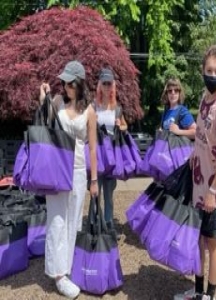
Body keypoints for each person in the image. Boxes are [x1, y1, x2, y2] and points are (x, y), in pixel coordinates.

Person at [174, 45, 216, 300]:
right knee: (197, 239)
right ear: (202, 70)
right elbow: (201, 134)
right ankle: (197, 290)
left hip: (212, 190)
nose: (212, 74)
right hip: (197, 183)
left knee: (212, 243)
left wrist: (211, 191)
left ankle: (209, 296)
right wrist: (193, 156)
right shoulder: (203, 99)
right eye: (209, 69)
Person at [39, 60, 99, 299]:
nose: (65, 86)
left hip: (78, 171)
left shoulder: (90, 110)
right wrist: (43, 97)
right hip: (56, 168)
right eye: (64, 82)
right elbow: (45, 123)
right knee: (56, 219)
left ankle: (67, 266)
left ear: (80, 83)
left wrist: (94, 181)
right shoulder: (57, 101)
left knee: (73, 220)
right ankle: (58, 274)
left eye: (70, 82)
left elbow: (93, 149)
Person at [92, 67, 127, 239]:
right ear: (99, 85)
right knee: (95, 192)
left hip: (111, 156)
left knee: (109, 194)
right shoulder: (93, 107)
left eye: (109, 83)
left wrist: (121, 125)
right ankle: (96, 224)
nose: (107, 87)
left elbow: (125, 126)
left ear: (113, 86)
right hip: (98, 155)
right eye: (104, 83)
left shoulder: (117, 108)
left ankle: (109, 225)